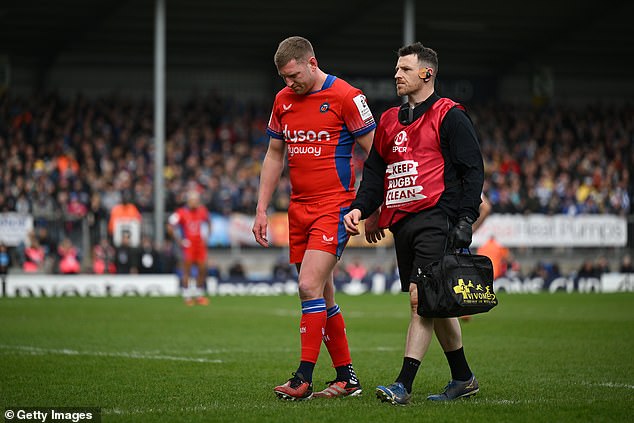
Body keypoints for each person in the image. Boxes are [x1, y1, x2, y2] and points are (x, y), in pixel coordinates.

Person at [343, 42, 485, 405]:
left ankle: (403, 384)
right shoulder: (389, 119)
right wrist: (363, 207)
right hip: (402, 225)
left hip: (437, 218)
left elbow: (473, 171)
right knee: (434, 302)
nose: (396, 75)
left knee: (420, 301)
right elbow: (375, 173)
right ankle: (464, 378)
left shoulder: (450, 114)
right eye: (397, 69)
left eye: (405, 69)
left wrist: (466, 218)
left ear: (427, 73)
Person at [252, 36, 377, 400]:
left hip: (335, 206)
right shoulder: (283, 100)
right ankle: (347, 378)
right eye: (283, 78)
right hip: (298, 209)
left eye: (293, 76)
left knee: (308, 285)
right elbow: (275, 155)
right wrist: (261, 209)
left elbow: (375, 154)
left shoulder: (346, 97)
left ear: (311, 62)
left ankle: (303, 378)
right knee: (322, 293)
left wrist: (372, 207)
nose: (289, 84)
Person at [167, 189, 211, 306]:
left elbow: (209, 222)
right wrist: (180, 240)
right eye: (193, 200)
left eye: (197, 200)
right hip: (189, 245)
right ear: (188, 201)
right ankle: (187, 296)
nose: (195, 203)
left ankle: (199, 294)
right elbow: (170, 225)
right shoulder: (181, 212)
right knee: (187, 270)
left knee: (202, 269)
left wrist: (206, 238)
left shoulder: (202, 211)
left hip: (199, 245)